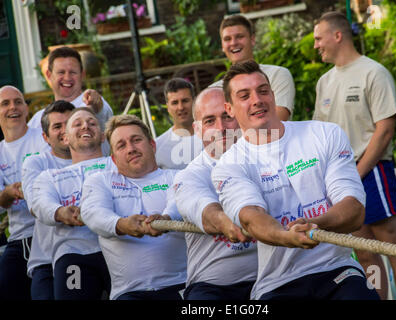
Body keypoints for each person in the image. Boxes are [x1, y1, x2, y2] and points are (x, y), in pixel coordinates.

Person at [211, 60, 379, 300]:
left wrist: (316, 225)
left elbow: (354, 209)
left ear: (273, 94)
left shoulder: (325, 134)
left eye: (263, 90)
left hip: (337, 270)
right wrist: (285, 237)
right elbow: (251, 218)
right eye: (244, 95)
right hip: (278, 283)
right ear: (229, 108)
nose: (257, 100)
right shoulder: (228, 165)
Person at [312, 11, 396, 300]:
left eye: (318, 38)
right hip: (341, 175)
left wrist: (357, 172)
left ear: (338, 35)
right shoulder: (324, 82)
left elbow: (385, 130)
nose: (315, 45)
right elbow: (320, 133)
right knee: (365, 253)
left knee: (394, 247)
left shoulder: (374, 72)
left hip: (373, 171)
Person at [80, 114, 187, 300]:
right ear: (113, 159)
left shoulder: (176, 177)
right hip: (129, 293)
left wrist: (166, 219)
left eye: (136, 140)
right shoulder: (100, 181)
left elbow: (178, 203)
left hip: (181, 286)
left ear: (152, 145)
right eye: (121, 145)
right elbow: (93, 214)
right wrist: (122, 225)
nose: (131, 149)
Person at [170, 87, 257, 300]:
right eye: (209, 121)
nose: (221, 128)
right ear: (197, 129)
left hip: (270, 281)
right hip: (213, 287)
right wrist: (236, 224)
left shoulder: (265, 161)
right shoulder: (188, 176)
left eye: (227, 117)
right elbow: (209, 215)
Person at [32, 107, 112, 300]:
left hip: (119, 250)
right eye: (77, 124)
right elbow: (40, 204)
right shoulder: (49, 176)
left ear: (102, 136)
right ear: (66, 138)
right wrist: (60, 212)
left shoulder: (118, 166)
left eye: (92, 123)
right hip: (74, 255)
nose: (85, 125)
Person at [21, 100, 75, 300]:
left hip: (90, 257)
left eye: (70, 123)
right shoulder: (36, 162)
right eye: (57, 126)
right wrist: (60, 212)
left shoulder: (94, 159)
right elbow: (34, 203)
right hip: (47, 260)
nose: (65, 130)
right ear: (45, 136)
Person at [0, 85, 50, 300]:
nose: (13, 107)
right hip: (20, 237)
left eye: (18, 102)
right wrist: (8, 193)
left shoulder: (43, 138)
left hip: (51, 232)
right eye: (5, 103)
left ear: (26, 109)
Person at [27, 46, 113, 156]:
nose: (67, 78)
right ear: (49, 75)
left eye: (73, 72)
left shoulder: (91, 105)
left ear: (82, 75)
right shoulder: (37, 119)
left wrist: (96, 104)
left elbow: (101, 112)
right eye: (61, 72)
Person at [210, 14, 295, 121]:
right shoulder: (215, 90)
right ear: (222, 46)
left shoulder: (277, 75)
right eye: (227, 39)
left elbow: (277, 122)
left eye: (239, 37)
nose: (233, 43)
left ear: (252, 39)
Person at [155, 78, 203, 169]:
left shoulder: (214, 135)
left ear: (194, 101)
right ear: (168, 107)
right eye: (175, 103)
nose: (180, 107)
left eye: (185, 101)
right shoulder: (157, 147)